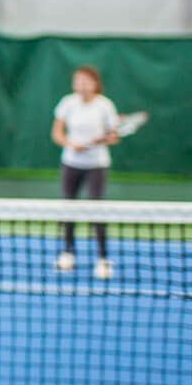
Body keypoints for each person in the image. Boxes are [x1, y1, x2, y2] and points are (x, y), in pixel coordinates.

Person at [50, 64, 119, 280]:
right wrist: (71, 144)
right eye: (78, 81)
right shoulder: (67, 103)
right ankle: (68, 254)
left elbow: (114, 136)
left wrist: (106, 138)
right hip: (71, 163)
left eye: (85, 81)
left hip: (97, 164)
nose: (81, 85)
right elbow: (57, 133)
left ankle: (103, 259)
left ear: (95, 83)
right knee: (68, 207)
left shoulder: (105, 106)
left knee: (96, 209)